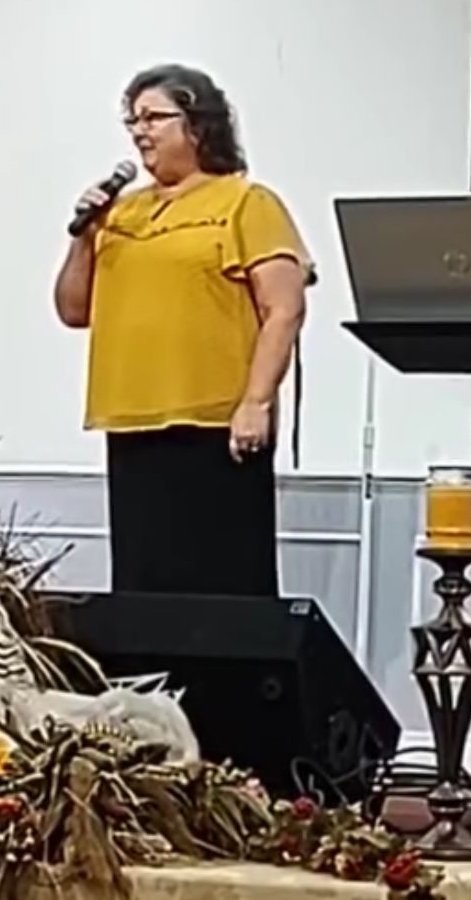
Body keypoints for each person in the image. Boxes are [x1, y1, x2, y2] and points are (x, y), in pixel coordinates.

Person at [54, 64, 312, 596]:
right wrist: (83, 236)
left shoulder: (245, 202)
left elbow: (284, 309)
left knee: (220, 586)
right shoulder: (121, 214)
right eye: (132, 120)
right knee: (145, 588)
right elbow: (74, 310)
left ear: (197, 125)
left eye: (153, 117)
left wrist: (256, 402)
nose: (139, 131)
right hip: (133, 421)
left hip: (217, 425)